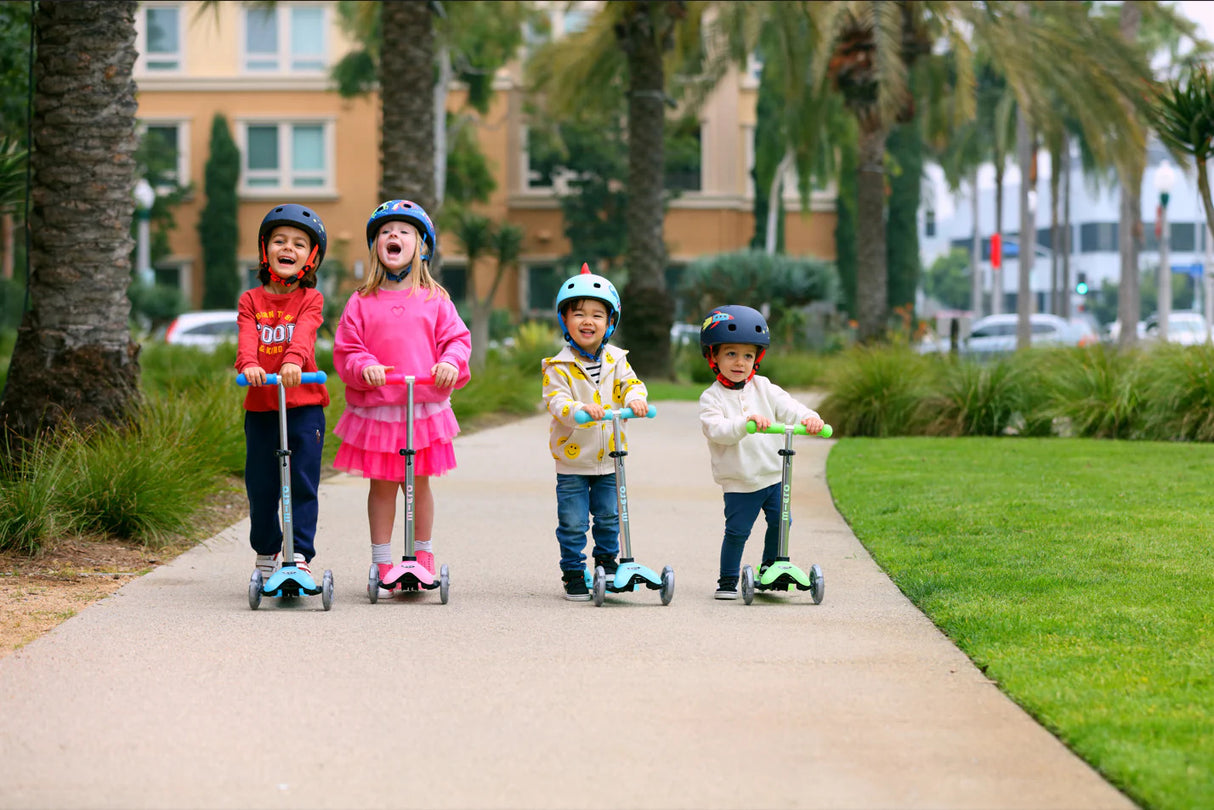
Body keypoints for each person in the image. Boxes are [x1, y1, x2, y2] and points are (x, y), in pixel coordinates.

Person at [332, 200, 471, 594]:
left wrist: (450, 362)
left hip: (421, 408)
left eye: (404, 231)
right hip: (379, 410)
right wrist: (364, 366)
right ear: (376, 245)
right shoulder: (361, 300)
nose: (394, 236)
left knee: (418, 485)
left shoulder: (435, 298)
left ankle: (422, 555)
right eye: (386, 232)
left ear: (421, 247)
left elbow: (457, 340)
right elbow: (348, 347)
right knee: (381, 486)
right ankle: (382, 561)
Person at [697, 305, 825, 599]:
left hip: (774, 475)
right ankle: (727, 581)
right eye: (731, 353)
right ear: (713, 356)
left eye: (747, 355)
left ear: (757, 359)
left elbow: (789, 407)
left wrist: (810, 418)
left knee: (782, 522)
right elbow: (717, 430)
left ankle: (771, 567)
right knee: (738, 531)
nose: (740, 362)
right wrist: (746, 423)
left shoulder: (764, 387)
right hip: (740, 482)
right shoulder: (711, 398)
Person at [541, 264, 648, 601]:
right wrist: (578, 410)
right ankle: (573, 571)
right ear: (565, 320)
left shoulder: (618, 360)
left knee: (609, 516)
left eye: (597, 315)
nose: (588, 321)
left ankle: (607, 563)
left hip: (610, 459)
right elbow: (556, 401)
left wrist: (636, 399)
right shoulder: (558, 367)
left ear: (610, 322)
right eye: (579, 314)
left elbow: (631, 384)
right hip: (573, 460)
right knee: (573, 521)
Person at [235, 204, 330, 581]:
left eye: (298, 244)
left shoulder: (310, 299)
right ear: (265, 250)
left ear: (311, 258)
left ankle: (300, 554)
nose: (288, 247)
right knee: (261, 487)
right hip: (262, 408)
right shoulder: (251, 300)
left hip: (304, 407)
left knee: (302, 483)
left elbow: (305, 332)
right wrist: (249, 365)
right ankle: (267, 549)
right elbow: (247, 337)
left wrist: (293, 361)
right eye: (279, 241)